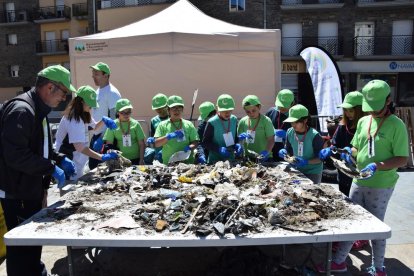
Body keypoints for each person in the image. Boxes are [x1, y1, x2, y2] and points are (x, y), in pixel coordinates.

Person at [317, 80, 408, 276]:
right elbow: (358, 148)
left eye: (377, 108)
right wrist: (349, 151)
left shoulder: (396, 125)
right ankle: (339, 261)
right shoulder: (363, 121)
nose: (373, 112)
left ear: (388, 100)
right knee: (352, 221)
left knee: (376, 227)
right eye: (371, 108)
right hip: (358, 180)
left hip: (381, 184)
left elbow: (402, 158)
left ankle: (379, 267)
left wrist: (378, 165)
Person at [0, 65, 77, 276]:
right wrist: (50, 168)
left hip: (30, 188)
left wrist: (59, 159)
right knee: (20, 248)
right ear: (50, 87)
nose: (64, 98)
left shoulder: (38, 109)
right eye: (63, 92)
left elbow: (40, 148)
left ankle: (36, 271)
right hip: (17, 192)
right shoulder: (22, 110)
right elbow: (15, 155)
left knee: (32, 241)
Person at [54, 86, 119, 180]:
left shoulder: (84, 113)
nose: (91, 107)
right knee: (68, 191)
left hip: (79, 160)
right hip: (68, 161)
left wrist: (103, 120)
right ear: (81, 101)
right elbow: (80, 147)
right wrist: (101, 157)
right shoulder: (73, 119)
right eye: (90, 104)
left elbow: (94, 127)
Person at [320, 91, 365, 196]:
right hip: (343, 173)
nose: (347, 113)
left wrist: (353, 154)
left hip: (360, 176)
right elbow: (335, 145)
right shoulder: (342, 126)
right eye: (345, 110)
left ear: (360, 110)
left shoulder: (366, 127)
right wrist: (330, 150)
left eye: (351, 110)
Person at [278, 104, 324, 184]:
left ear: (305, 120)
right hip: (297, 170)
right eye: (292, 122)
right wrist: (285, 153)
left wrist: (306, 162)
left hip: (313, 172)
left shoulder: (314, 135)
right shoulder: (289, 132)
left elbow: (320, 159)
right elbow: (288, 151)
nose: (293, 125)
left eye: (296, 122)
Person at [89, 62, 121, 169]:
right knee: (93, 169)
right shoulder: (97, 91)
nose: (93, 76)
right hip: (96, 137)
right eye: (93, 73)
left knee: (104, 172)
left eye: (96, 73)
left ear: (106, 75)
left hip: (106, 140)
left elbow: (114, 119)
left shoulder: (112, 93)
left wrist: (103, 138)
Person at [148, 95, 199, 165]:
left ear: (182, 110)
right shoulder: (162, 125)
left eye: (179, 108)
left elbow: (195, 142)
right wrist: (168, 137)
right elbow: (156, 144)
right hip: (169, 163)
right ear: (168, 110)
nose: (176, 111)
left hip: (187, 163)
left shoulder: (189, 124)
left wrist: (190, 147)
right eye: (173, 108)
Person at [202, 94, 243, 164]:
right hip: (215, 161)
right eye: (224, 110)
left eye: (229, 110)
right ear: (218, 109)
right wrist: (218, 149)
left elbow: (235, 138)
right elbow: (205, 142)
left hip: (231, 160)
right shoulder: (212, 122)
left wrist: (237, 144)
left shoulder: (234, 119)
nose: (227, 113)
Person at [103, 98, 146, 165]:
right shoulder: (112, 124)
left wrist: (141, 160)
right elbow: (109, 145)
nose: (126, 115)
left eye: (128, 112)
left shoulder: (136, 124)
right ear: (117, 112)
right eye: (123, 112)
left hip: (136, 159)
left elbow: (142, 144)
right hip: (120, 160)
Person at [238, 95, 275, 161]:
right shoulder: (242, 122)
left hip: (264, 157)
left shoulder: (266, 121)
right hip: (248, 157)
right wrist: (240, 140)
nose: (251, 113)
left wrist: (267, 151)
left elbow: (271, 139)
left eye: (253, 110)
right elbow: (239, 141)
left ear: (259, 107)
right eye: (248, 112)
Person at [265, 89, 295, 161]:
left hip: (288, 154)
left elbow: (302, 136)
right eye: (280, 105)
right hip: (271, 152)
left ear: (292, 104)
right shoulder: (271, 112)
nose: (281, 108)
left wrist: (287, 135)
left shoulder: (296, 116)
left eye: (284, 106)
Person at [144, 93, 169, 164]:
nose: (158, 110)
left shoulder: (172, 118)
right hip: (159, 152)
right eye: (157, 108)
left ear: (167, 106)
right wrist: (152, 140)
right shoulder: (153, 120)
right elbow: (154, 136)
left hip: (171, 150)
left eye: (161, 108)